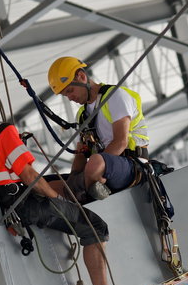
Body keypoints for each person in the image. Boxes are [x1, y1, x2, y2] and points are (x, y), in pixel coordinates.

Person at [0, 77, 143, 285]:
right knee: (95, 227)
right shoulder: (1, 130)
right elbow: (28, 175)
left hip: (1, 205)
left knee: (56, 182)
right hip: (24, 202)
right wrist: (56, 198)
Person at [47, 57, 149, 203]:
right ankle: (89, 188)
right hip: (102, 168)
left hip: (131, 165)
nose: (69, 98)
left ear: (81, 77)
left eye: (70, 91)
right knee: (49, 186)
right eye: (65, 95)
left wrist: (93, 168)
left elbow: (120, 142)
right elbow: (80, 155)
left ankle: (87, 193)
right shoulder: (82, 115)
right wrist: (72, 180)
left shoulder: (114, 96)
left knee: (95, 163)